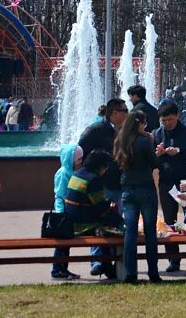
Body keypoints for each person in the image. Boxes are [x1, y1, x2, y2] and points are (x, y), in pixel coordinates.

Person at [79, 99, 128, 276]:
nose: (127, 113)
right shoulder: (97, 129)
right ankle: (98, 260)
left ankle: (113, 262)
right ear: (114, 113)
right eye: (124, 110)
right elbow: (80, 150)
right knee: (99, 221)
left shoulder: (124, 130)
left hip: (119, 183)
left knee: (116, 224)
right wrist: (91, 173)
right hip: (102, 185)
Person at [152, 101, 186, 272]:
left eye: (170, 120)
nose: (167, 124)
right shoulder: (157, 134)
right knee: (169, 221)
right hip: (167, 182)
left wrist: (179, 151)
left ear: (178, 116)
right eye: (164, 121)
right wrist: (157, 155)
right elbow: (152, 161)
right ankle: (174, 260)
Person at [114, 110, 162, 283]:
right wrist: (159, 152)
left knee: (130, 233)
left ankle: (130, 274)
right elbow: (154, 163)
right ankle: (153, 273)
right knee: (150, 232)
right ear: (140, 123)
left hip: (127, 189)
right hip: (146, 189)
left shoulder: (121, 140)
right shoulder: (144, 141)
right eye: (144, 123)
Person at [64, 149, 123, 280]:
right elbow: (101, 210)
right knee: (116, 231)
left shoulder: (77, 174)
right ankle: (109, 267)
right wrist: (121, 222)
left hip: (71, 222)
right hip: (83, 225)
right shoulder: (94, 180)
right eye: (105, 167)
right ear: (100, 167)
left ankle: (105, 266)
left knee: (109, 225)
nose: (106, 170)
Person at [51, 144, 83, 280]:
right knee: (62, 244)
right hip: (63, 213)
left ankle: (63, 269)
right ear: (71, 159)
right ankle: (57, 270)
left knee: (66, 244)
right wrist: (60, 213)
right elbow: (59, 195)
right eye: (78, 159)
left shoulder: (71, 172)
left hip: (69, 213)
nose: (80, 161)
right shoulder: (63, 173)